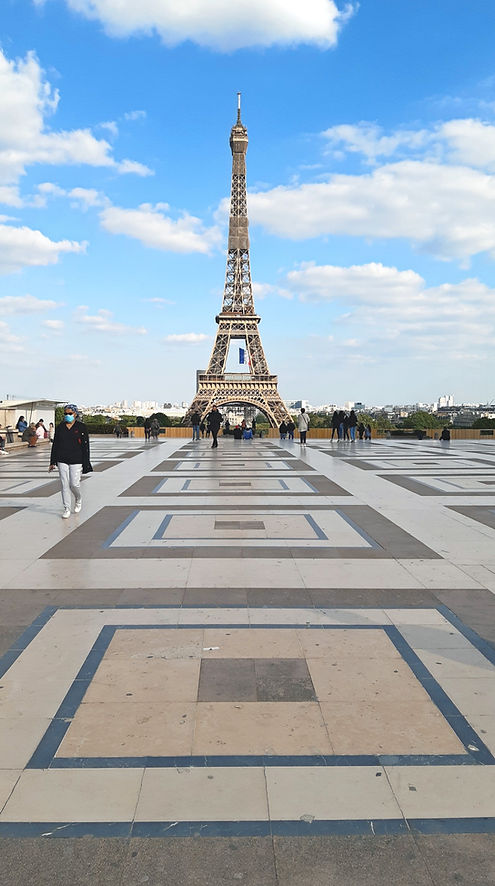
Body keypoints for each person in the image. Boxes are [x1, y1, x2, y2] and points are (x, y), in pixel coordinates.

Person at [49, 404, 92, 518]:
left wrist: (86, 462)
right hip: (62, 459)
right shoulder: (60, 427)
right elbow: (55, 445)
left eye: (70, 414)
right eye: (65, 414)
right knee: (64, 484)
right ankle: (67, 508)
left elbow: (85, 446)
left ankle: (78, 498)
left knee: (74, 484)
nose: (67, 416)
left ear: (75, 414)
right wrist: (52, 462)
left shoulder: (81, 427)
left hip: (76, 459)